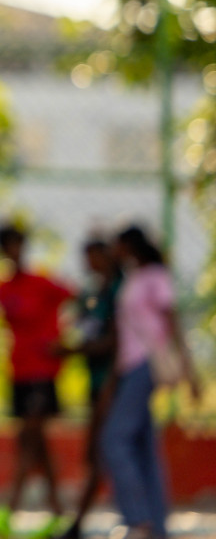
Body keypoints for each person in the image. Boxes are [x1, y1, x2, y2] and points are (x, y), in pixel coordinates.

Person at [100, 225, 200, 539]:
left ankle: (138, 519)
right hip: (130, 366)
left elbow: (173, 322)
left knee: (114, 439)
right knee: (144, 446)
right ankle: (157, 526)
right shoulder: (132, 278)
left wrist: (189, 370)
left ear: (129, 245)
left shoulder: (155, 275)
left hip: (147, 364)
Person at [0, 222, 73, 538]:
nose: (14, 250)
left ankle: (11, 508)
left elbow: (76, 298)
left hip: (43, 373)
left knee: (29, 437)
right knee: (38, 443)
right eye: (9, 245)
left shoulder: (42, 282)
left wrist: (64, 341)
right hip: (19, 373)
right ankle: (60, 512)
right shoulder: (3, 288)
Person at [57, 237, 121, 539]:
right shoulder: (95, 292)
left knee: (104, 452)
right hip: (97, 382)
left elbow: (115, 342)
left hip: (113, 384)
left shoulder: (119, 291)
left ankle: (79, 523)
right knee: (98, 453)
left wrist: (73, 351)